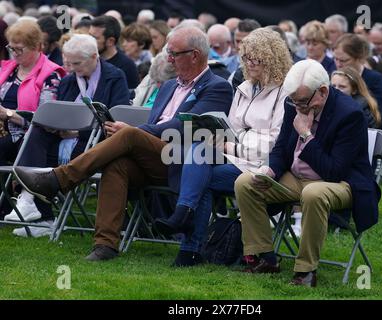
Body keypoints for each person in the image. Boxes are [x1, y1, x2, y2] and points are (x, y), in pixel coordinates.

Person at [14, 26, 233, 259]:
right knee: (116, 165)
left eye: (174, 54)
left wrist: (135, 132)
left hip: (185, 162)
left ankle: (58, 179)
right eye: (169, 53)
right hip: (154, 158)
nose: (168, 59)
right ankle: (105, 244)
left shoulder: (217, 87)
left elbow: (184, 127)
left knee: (129, 135)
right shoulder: (169, 85)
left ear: (195, 55)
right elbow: (155, 125)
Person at [234, 59, 380, 287]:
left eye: (302, 101)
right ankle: (264, 257)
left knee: (313, 193)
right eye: (293, 100)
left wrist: (305, 135)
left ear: (322, 91)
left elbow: (334, 170)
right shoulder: (292, 103)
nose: (297, 106)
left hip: (342, 183)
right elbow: (282, 147)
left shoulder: (350, 114)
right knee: (245, 182)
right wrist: (270, 169)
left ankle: (306, 271)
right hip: (297, 176)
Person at [153, 28, 292, 266]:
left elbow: (275, 142)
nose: (249, 62)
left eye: (256, 57)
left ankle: (188, 241)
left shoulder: (285, 92)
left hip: (265, 165)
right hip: (236, 157)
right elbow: (232, 128)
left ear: (271, 57)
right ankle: (186, 226)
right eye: (246, 56)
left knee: (201, 176)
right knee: (199, 148)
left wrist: (232, 146)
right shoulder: (245, 88)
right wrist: (220, 138)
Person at [5, 34, 130, 237]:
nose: (71, 68)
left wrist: (77, 131)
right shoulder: (69, 80)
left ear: (94, 57)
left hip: (95, 143)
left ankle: (34, 204)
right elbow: (61, 113)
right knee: (36, 131)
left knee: (46, 150)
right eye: (68, 62)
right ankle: (35, 208)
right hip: (64, 140)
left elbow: (115, 118)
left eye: (77, 63)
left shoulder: (115, 77)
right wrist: (57, 127)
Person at [0, 20, 65, 219]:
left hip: (33, 135)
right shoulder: (7, 69)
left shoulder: (50, 75)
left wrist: (9, 115)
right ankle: (7, 205)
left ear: (37, 47)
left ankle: (19, 204)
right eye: (11, 47)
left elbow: (44, 120)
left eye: (19, 49)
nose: (14, 53)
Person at [334, 33, 382, 129]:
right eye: (335, 59)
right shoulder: (334, 77)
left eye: (344, 60)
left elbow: (379, 119)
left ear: (359, 58)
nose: (338, 64)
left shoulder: (376, 80)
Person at [89, 15, 140, 89]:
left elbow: (131, 97)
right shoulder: (86, 60)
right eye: (89, 36)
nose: (89, 41)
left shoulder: (127, 66)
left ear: (110, 41)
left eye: (95, 38)